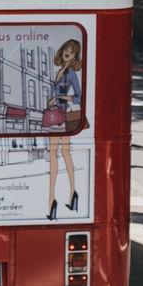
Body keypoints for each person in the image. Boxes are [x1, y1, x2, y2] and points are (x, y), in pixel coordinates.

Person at [45, 38, 83, 220]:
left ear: (76, 56)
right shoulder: (60, 71)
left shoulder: (70, 74)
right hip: (55, 114)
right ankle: (66, 197)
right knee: (59, 152)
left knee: (60, 153)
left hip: (62, 115)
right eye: (66, 49)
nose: (68, 52)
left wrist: (59, 97)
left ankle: (57, 199)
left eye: (72, 51)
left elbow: (78, 97)